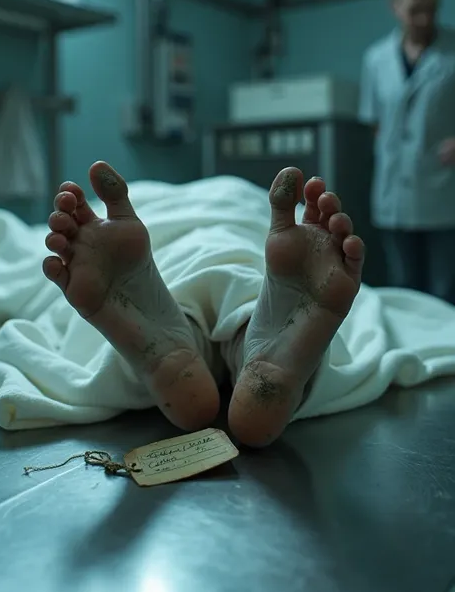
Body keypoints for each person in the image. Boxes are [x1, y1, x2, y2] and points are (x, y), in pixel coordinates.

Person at [43, 161, 365, 448]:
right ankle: (248, 345)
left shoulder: (154, 200)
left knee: (187, 264)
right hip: (244, 228)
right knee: (244, 268)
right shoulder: (238, 195)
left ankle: (182, 337)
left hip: (173, 242)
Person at [359, 0, 455, 303]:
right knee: (403, 287)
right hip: (394, 189)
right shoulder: (375, 59)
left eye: (431, 10)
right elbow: (375, 121)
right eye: (415, 10)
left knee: (444, 289)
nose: (424, 19)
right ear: (395, 7)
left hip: (442, 187)